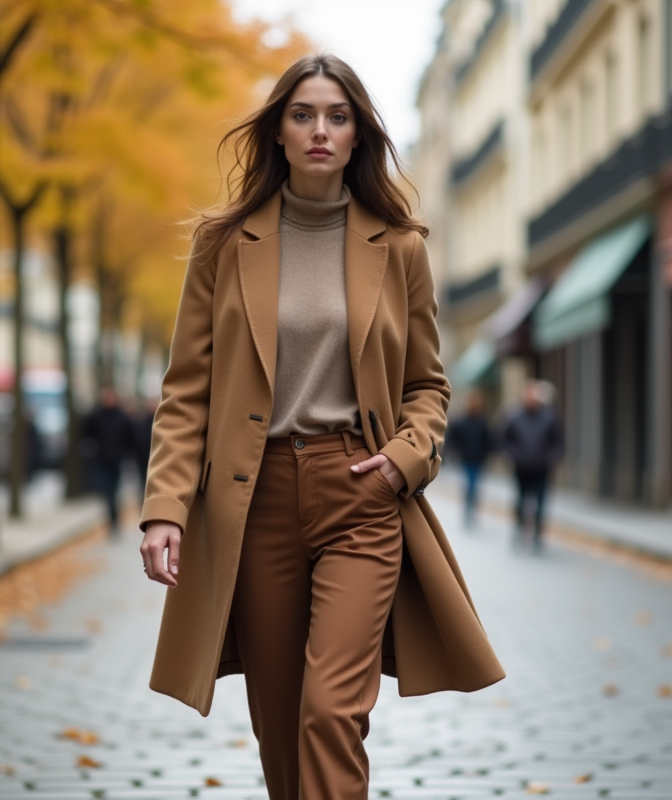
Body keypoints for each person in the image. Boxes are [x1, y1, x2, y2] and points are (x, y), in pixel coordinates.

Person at [137, 55, 503, 800]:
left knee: (330, 711)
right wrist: (164, 509)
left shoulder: (399, 247)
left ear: (358, 135)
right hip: (256, 499)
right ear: (277, 130)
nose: (320, 131)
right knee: (279, 718)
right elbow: (187, 393)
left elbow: (427, 386)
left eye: (337, 117)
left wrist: (406, 458)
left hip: (361, 496)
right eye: (303, 114)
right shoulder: (223, 243)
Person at [502, 380, 564, 553]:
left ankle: (537, 535)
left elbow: (558, 441)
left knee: (540, 504)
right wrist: (513, 455)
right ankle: (519, 530)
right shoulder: (514, 416)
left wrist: (551, 457)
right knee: (520, 501)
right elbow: (505, 440)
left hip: (541, 469)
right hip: (521, 468)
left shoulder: (549, 417)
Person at [82, 386, 134, 537]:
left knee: (114, 492)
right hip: (101, 460)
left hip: (117, 460)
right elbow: (87, 434)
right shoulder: (95, 415)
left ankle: (114, 520)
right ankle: (112, 520)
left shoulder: (122, 417)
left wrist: (128, 454)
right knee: (106, 490)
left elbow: (130, 437)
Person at [448, 390, 493, 528]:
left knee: (474, 486)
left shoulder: (482, 422)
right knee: (470, 485)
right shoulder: (462, 421)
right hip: (466, 459)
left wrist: (487, 454)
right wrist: (456, 451)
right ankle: (469, 510)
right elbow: (453, 437)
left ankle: (471, 510)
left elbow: (488, 440)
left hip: (479, 459)